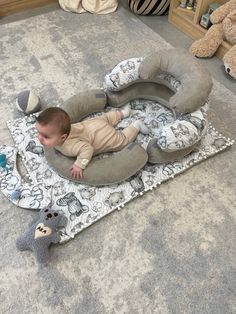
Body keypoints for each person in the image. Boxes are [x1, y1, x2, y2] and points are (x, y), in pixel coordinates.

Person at [36, 105, 149, 179]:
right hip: (94, 123)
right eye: (39, 133)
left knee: (122, 141)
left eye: (46, 137)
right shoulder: (64, 128)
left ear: (62, 137)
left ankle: (136, 126)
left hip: (103, 136)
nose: (40, 138)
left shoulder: (69, 147)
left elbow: (87, 148)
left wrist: (79, 165)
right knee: (105, 118)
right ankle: (122, 113)